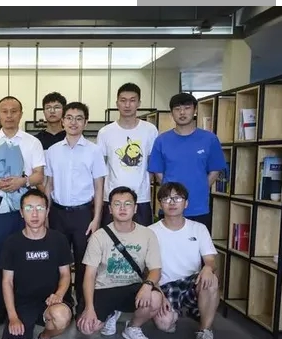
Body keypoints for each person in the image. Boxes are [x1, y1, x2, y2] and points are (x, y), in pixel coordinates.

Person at [0, 96, 46, 326]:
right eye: (4, 111)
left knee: (30, 253)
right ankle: (2, 308)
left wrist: (22, 181)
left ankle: (31, 306)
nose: (9, 115)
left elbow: (39, 175)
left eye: (13, 111)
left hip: (26, 204)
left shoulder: (32, 142)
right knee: (1, 254)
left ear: (21, 114)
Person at [76, 186, 163, 339]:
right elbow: (89, 275)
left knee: (155, 298)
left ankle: (133, 327)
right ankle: (111, 313)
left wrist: (147, 286)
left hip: (133, 288)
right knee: (87, 328)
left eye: (127, 204)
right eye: (117, 204)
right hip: (104, 289)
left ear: (135, 208)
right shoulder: (99, 236)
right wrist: (89, 308)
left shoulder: (147, 234)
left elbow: (155, 270)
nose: (122, 208)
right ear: (110, 209)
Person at [0, 189, 73, 339]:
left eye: (40, 208)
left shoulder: (59, 239)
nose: (34, 214)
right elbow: (7, 282)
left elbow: (65, 274)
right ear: (21, 212)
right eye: (29, 208)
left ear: (47, 212)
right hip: (22, 305)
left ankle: (44, 338)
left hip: (50, 302)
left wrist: (59, 294)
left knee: (61, 316)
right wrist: (13, 317)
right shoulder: (12, 242)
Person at [45, 101, 106, 313]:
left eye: (79, 118)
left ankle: (82, 304)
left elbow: (99, 187)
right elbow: (48, 185)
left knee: (83, 261)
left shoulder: (94, 151)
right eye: (69, 118)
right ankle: (62, 302)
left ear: (85, 123)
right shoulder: (52, 151)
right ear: (62, 121)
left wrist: (96, 218)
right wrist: (45, 215)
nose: (73, 122)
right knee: (58, 260)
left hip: (83, 214)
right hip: (57, 213)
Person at [149, 182, 221, 339]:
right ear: (160, 204)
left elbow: (211, 260)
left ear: (186, 203)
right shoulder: (150, 231)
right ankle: (174, 315)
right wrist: (157, 292)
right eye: (166, 198)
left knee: (211, 279)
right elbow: (147, 269)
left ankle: (204, 332)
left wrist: (208, 268)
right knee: (165, 324)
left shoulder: (199, 228)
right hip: (166, 285)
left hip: (192, 283)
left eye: (177, 198)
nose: (172, 203)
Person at [148, 93, 227, 232]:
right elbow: (158, 172)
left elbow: (215, 170)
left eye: (187, 108)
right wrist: (171, 193)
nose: (182, 112)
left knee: (198, 244)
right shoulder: (162, 140)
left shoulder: (209, 139)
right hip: (170, 206)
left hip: (199, 207)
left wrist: (200, 187)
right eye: (177, 109)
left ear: (195, 110)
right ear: (171, 113)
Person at [96, 83, 159, 226]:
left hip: (141, 198)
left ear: (139, 103)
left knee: (142, 237)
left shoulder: (150, 130)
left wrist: (143, 184)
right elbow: (100, 168)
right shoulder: (105, 132)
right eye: (123, 100)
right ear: (117, 103)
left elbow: (152, 164)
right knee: (111, 238)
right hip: (112, 198)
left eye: (132, 100)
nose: (127, 105)